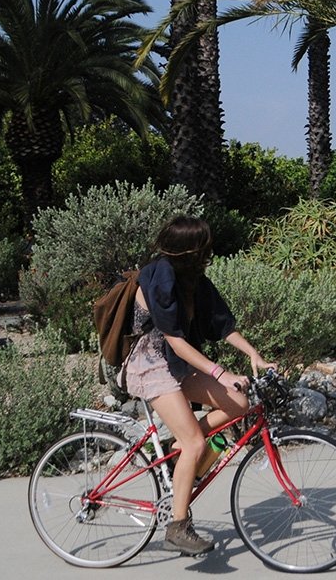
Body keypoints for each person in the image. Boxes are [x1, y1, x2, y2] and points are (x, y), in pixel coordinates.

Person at [124, 216, 274, 556]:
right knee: (194, 443)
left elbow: (221, 324)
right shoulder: (159, 276)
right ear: (187, 251)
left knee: (239, 402)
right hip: (147, 365)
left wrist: (254, 354)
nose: (208, 254)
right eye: (203, 248)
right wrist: (221, 372)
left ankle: (181, 447)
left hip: (174, 364)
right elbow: (176, 342)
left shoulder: (194, 280)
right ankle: (178, 527)